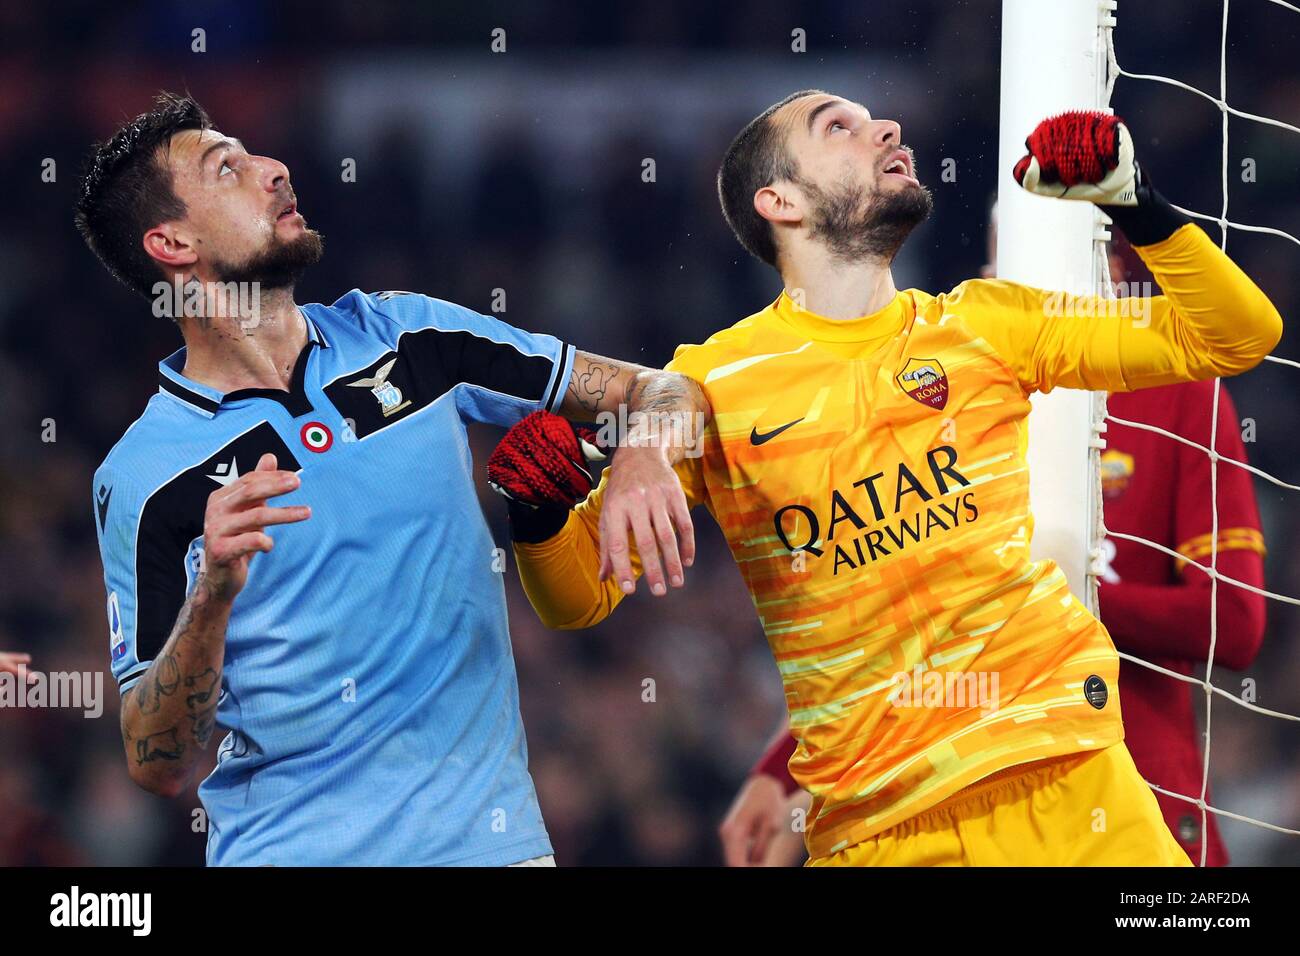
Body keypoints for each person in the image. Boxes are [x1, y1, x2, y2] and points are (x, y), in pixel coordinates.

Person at [488, 91, 1282, 866]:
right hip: (877, 830)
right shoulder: (717, 383)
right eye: (840, 127)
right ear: (780, 200)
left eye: (878, 121)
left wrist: (1134, 201)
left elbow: (1242, 334)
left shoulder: (986, 324)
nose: (886, 128)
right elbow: (575, 600)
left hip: (1071, 784)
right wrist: (535, 512)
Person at [76, 92, 706, 866]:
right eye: (228, 168)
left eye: (258, 154)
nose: (273, 170)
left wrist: (642, 454)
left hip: (492, 848)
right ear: (171, 242)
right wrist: (211, 598)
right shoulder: (144, 476)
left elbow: (670, 390)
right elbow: (154, 761)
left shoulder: (411, 337)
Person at [719, 236, 1269, 868]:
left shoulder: (1176, 394)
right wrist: (778, 769)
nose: (1000, 287)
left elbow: (1236, 622)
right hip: (970, 808)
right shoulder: (950, 401)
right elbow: (909, 631)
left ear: (1108, 271)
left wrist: (1031, 598)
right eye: (996, 268)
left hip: (1138, 784)